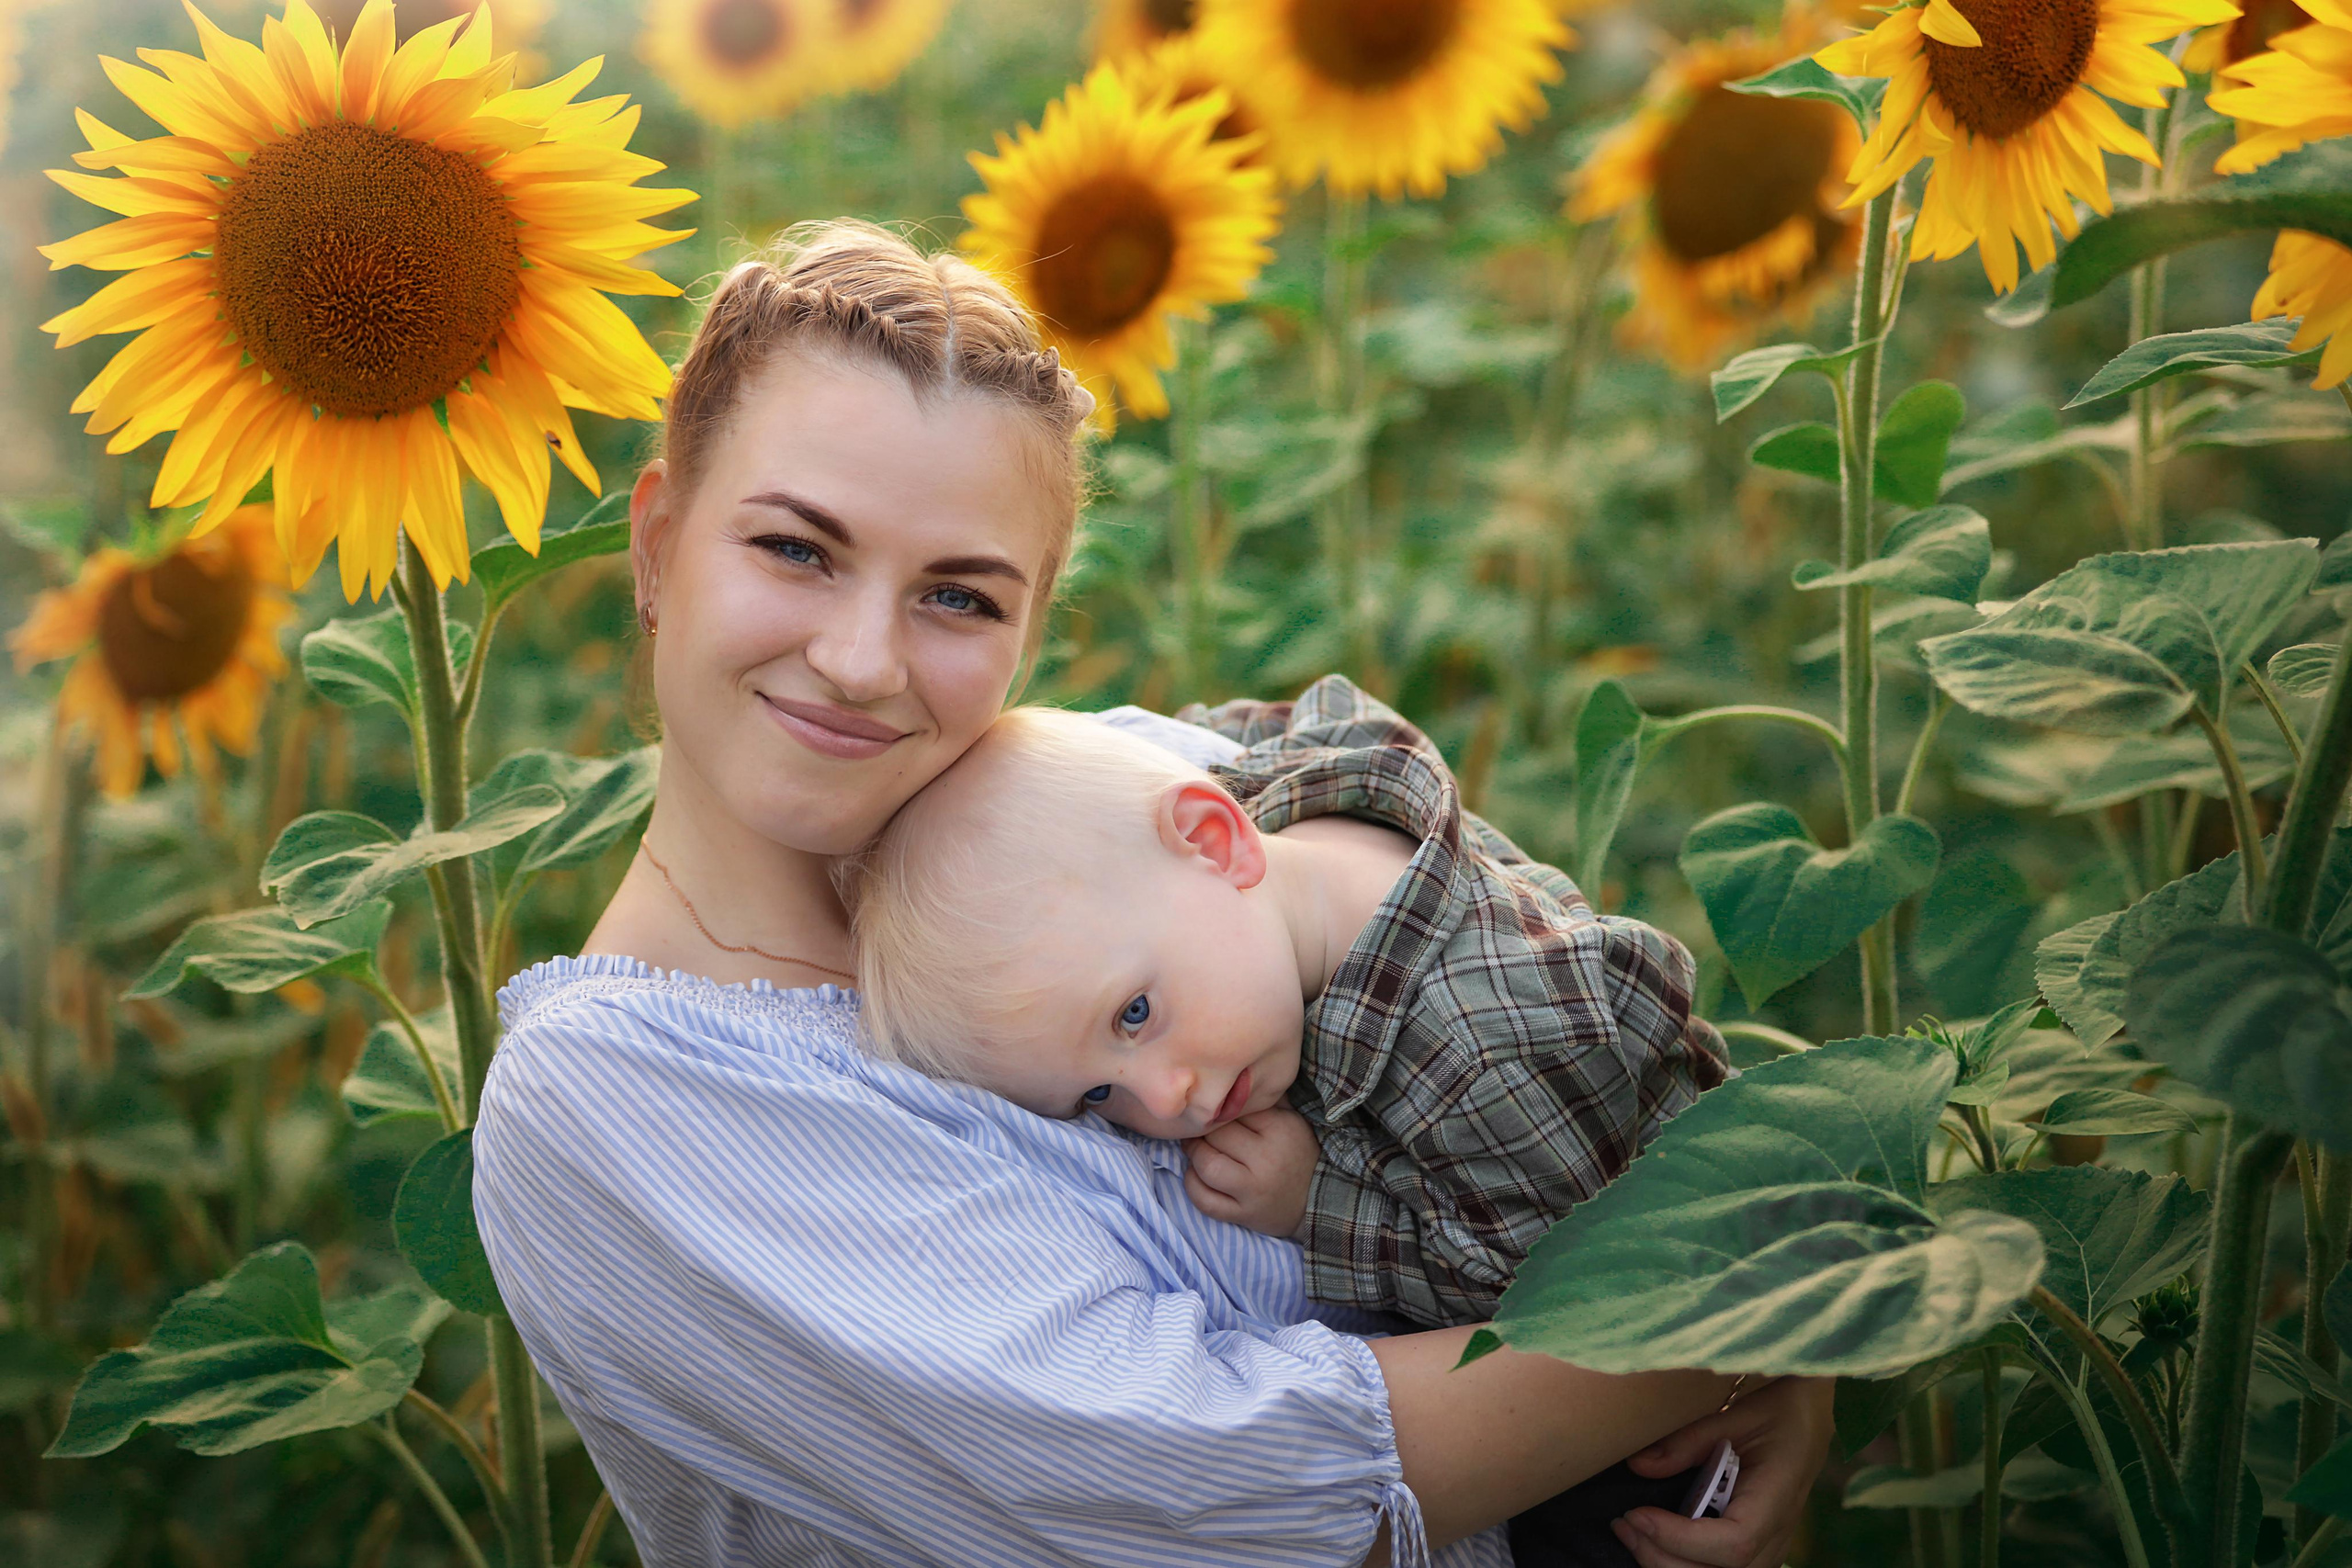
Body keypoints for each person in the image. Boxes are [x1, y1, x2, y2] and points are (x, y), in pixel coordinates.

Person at [469, 220, 1834, 1568]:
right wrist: (1757, 1305)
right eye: (796, 548)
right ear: (656, 547)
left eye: (959, 596)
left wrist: (1768, 1367)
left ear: (1036, 619)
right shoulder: (616, 1096)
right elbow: (1224, 1497)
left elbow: (1568, 1011)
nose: (862, 655)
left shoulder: (1142, 779)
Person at [844, 685, 1730, 1331]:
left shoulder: (1476, 1053)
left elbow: (1545, 1294)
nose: (1163, 1100)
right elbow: (1204, 748)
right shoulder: (1305, 766)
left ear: (1214, 839)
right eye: (1096, 1098)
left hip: (1689, 1330)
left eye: (1135, 1014)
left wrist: (1318, 1202)